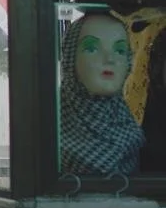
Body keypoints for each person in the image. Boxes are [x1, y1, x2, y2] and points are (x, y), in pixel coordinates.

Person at [59, 12, 143, 175]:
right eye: (92, 49)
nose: (109, 59)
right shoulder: (51, 129)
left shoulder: (127, 128)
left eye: (120, 50)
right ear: (71, 58)